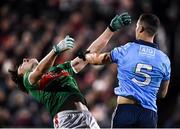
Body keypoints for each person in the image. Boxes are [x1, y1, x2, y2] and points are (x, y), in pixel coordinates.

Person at [8, 12, 131, 128]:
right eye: (20, 66)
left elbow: (89, 54)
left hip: (88, 117)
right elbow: (39, 71)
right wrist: (55, 51)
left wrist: (110, 29)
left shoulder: (59, 69)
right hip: (66, 119)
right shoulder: (28, 81)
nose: (24, 59)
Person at [80, 13, 171, 128]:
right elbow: (162, 93)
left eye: (137, 25)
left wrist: (84, 56)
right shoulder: (164, 59)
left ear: (141, 28)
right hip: (149, 114)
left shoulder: (127, 49)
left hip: (126, 110)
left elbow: (96, 59)